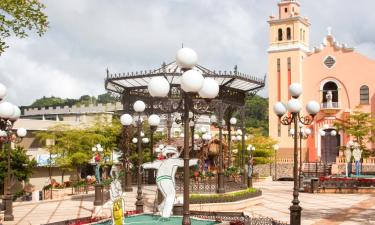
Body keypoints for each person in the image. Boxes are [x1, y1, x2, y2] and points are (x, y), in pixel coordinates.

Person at [142, 146, 198, 218]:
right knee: (170, 196)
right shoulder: (172, 161)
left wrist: (143, 166)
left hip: (167, 180)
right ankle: (165, 216)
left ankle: (161, 208)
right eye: (170, 154)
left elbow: (152, 164)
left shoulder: (165, 161)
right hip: (163, 179)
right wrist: (196, 161)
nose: (171, 155)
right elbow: (185, 162)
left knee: (171, 196)